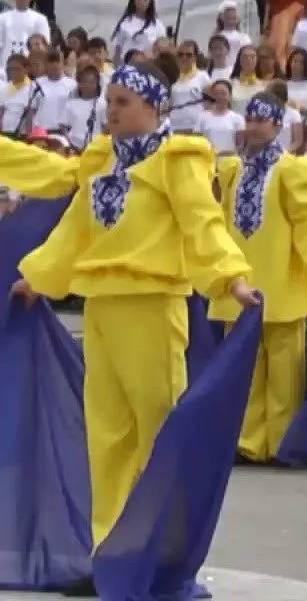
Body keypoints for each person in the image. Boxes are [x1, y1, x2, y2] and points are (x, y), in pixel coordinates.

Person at [3, 54, 262, 594]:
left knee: (158, 439)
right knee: (108, 440)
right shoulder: (102, 160)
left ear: (154, 106)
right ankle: (112, 560)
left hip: (152, 307)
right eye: (110, 101)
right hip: (101, 309)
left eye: (123, 103)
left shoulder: (179, 159)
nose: (110, 111)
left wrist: (231, 278)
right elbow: (77, 229)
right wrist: (40, 277)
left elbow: (202, 223)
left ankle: (160, 561)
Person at [211, 91, 307, 463]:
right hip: (242, 283)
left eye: (263, 119)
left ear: (278, 125)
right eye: (251, 118)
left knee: (283, 375)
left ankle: (280, 442)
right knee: (243, 371)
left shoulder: (290, 171)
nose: (254, 125)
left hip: (281, 284)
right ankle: (246, 441)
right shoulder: (232, 172)